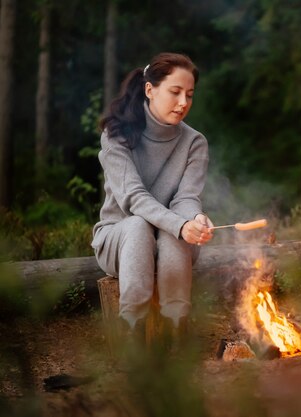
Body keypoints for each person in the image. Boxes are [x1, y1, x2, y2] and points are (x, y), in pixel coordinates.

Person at [92, 52, 213, 348]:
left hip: (174, 245)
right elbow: (133, 198)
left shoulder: (194, 142)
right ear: (150, 89)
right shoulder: (116, 135)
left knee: (173, 235)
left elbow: (186, 198)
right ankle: (131, 335)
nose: (183, 102)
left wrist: (194, 219)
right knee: (137, 226)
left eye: (189, 95)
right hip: (119, 239)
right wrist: (180, 224)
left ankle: (175, 334)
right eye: (175, 92)